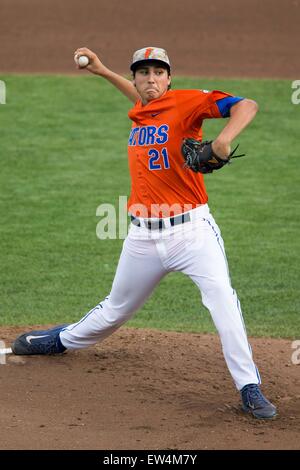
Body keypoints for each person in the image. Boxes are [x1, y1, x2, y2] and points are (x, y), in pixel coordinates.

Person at [12, 46, 276, 419]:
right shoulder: (142, 109)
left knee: (222, 301)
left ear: (169, 78)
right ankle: (60, 340)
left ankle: (249, 386)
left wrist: (222, 140)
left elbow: (247, 104)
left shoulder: (187, 103)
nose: (150, 79)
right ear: (136, 78)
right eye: (143, 73)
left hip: (192, 233)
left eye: (158, 72)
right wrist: (103, 71)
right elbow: (141, 99)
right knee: (114, 311)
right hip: (143, 238)